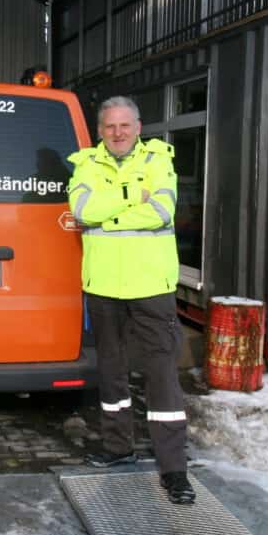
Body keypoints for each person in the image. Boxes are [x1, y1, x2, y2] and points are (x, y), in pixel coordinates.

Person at [67, 95, 196, 505]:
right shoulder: (86, 164)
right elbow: (81, 209)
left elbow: (161, 210)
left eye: (125, 125)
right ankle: (118, 447)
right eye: (109, 126)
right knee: (112, 373)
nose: (117, 133)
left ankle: (174, 468)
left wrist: (109, 210)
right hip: (104, 287)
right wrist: (131, 201)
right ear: (100, 130)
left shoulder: (159, 160)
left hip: (150, 287)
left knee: (161, 376)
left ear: (139, 127)